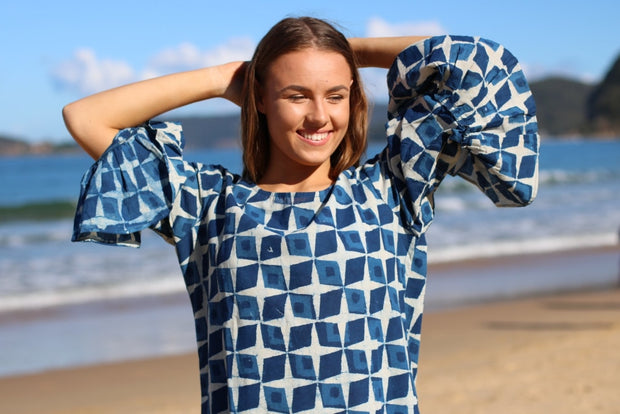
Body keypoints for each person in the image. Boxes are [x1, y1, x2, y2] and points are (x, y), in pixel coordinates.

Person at [63, 16, 539, 414]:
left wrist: (346, 50)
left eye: (335, 95)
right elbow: (86, 117)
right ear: (261, 101)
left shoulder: (391, 188)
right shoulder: (206, 203)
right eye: (296, 95)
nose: (319, 116)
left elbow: (480, 66)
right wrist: (225, 77)